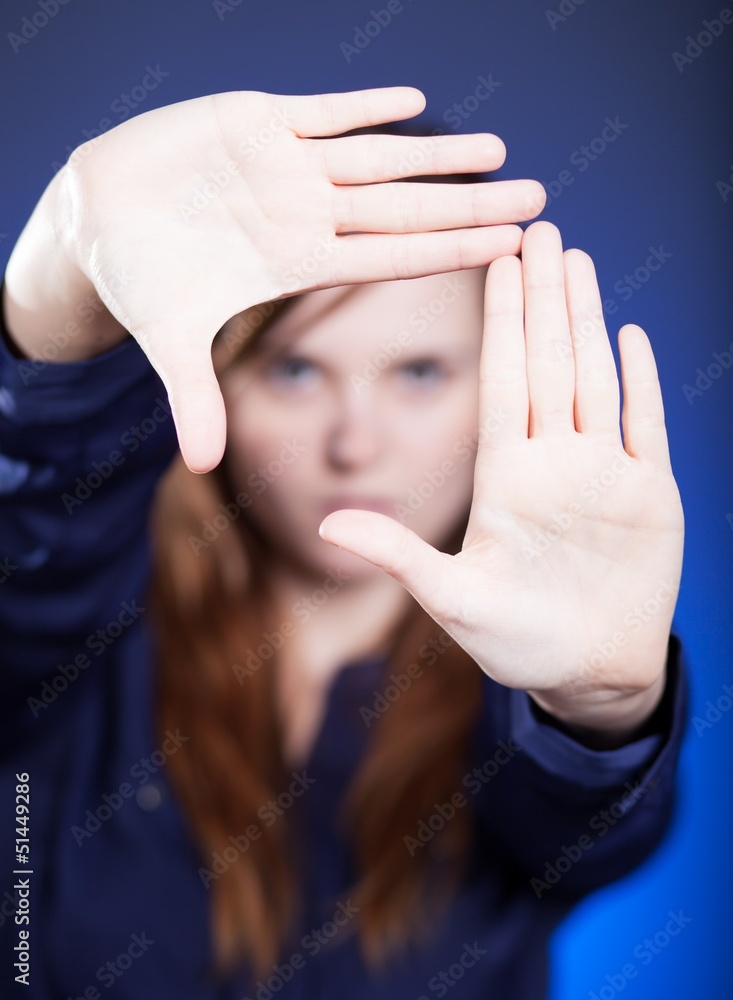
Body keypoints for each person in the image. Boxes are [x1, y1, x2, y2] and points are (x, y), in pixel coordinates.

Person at [0, 86, 686, 999]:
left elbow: (590, 834)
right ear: (215, 378)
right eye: (293, 369)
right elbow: (35, 522)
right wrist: (60, 275)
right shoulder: (86, 617)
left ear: (494, 386)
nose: (354, 441)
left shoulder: (510, 703)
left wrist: (596, 712)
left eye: (418, 370)